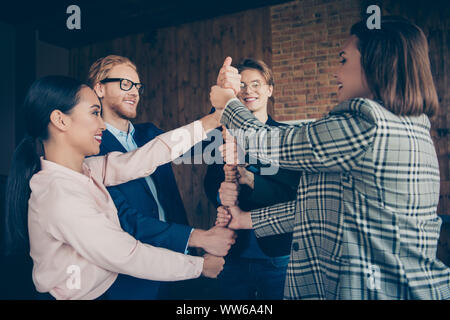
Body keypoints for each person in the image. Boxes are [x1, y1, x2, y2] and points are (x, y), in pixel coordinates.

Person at [212, 16, 450, 299]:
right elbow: (325, 208)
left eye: (343, 60)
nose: (336, 72)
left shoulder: (369, 122)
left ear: (376, 62)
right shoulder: (407, 124)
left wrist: (229, 102)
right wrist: (246, 220)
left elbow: (270, 142)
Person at [4, 75, 230, 300]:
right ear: (60, 120)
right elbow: (127, 254)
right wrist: (201, 266)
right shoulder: (59, 196)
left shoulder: (86, 169)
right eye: (94, 113)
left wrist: (211, 121)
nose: (102, 124)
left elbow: (146, 157)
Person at [87, 55, 235, 299]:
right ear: (99, 88)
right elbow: (124, 220)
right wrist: (201, 238)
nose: (134, 91)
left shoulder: (150, 133)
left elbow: (204, 144)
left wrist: (221, 98)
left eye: (137, 86)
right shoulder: (91, 148)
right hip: (132, 279)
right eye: (125, 84)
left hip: (179, 264)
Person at [203, 58, 299, 299]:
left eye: (256, 84)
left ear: (269, 89)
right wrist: (220, 194)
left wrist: (249, 178)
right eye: (242, 85)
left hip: (277, 254)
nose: (248, 91)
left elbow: (293, 193)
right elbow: (210, 182)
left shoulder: (286, 137)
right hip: (233, 254)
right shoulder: (220, 135)